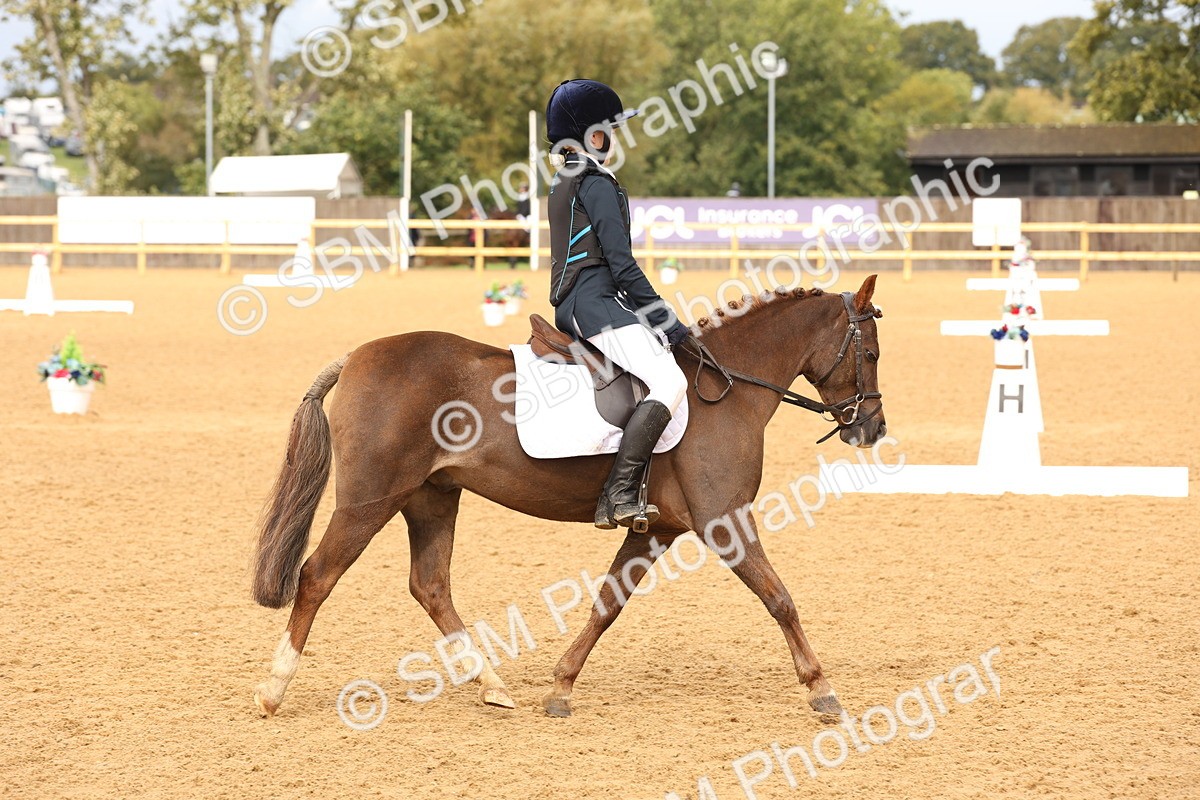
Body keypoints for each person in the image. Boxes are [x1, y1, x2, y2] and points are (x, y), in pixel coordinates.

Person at [544, 78, 691, 530]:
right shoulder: (596, 184)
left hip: (578, 301)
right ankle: (619, 493)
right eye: (609, 129)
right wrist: (668, 322)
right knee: (670, 380)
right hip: (595, 302)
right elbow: (622, 265)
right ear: (592, 135)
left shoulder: (564, 180)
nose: (613, 137)